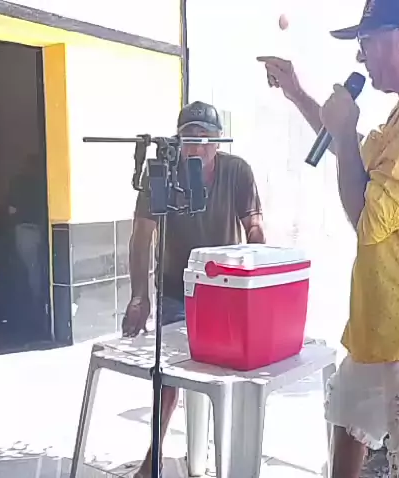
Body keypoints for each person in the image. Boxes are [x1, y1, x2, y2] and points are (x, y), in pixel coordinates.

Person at [258, 0, 399, 476]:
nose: (360, 57)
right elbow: (358, 160)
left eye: (366, 42)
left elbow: (368, 216)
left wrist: (343, 135)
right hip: (380, 326)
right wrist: (300, 95)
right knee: (347, 424)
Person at [122, 101, 265, 474]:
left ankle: (229, 458)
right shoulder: (161, 173)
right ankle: (153, 455)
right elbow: (141, 237)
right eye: (189, 138)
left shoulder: (237, 172)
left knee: (232, 375)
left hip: (226, 291)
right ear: (177, 140)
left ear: (218, 142)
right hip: (175, 289)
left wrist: (257, 281)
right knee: (168, 375)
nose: (196, 147)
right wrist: (139, 296)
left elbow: (254, 227)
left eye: (204, 139)